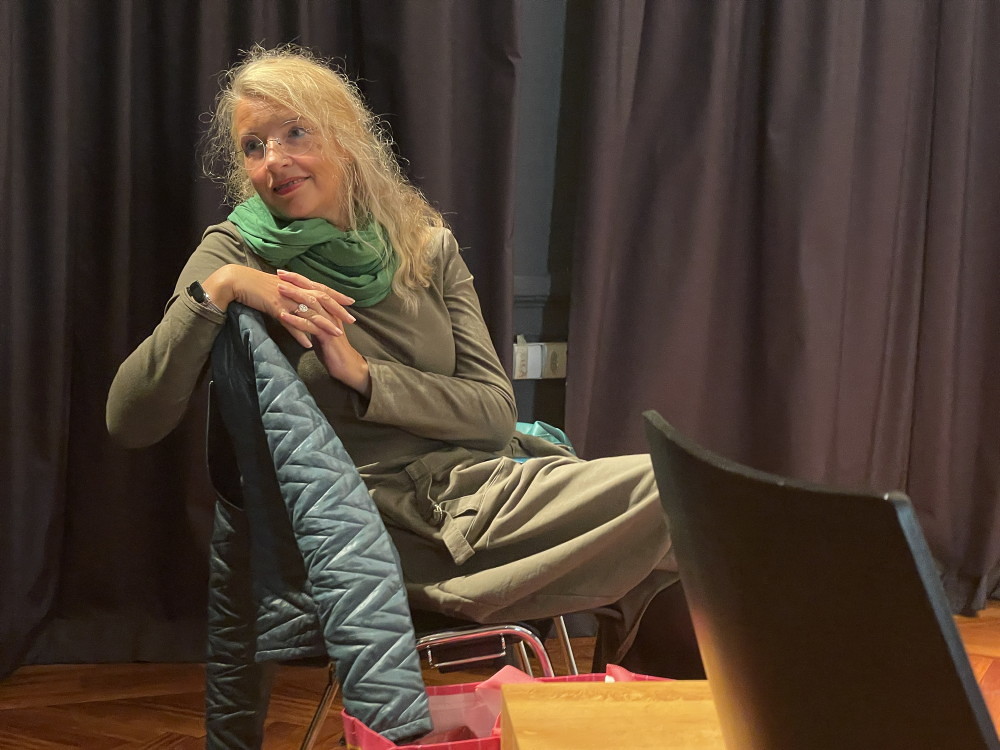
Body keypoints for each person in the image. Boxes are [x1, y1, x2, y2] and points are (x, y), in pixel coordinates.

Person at [106, 44, 703, 679]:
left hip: (483, 489)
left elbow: (493, 414)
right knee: (686, 498)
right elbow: (130, 420)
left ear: (344, 139)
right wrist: (220, 290)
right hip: (385, 529)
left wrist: (365, 377)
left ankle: (649, 710)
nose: (274, 159)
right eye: (254, 146)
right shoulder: (236, 253)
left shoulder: (425, 246)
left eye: (295, 132)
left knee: (684, 527)